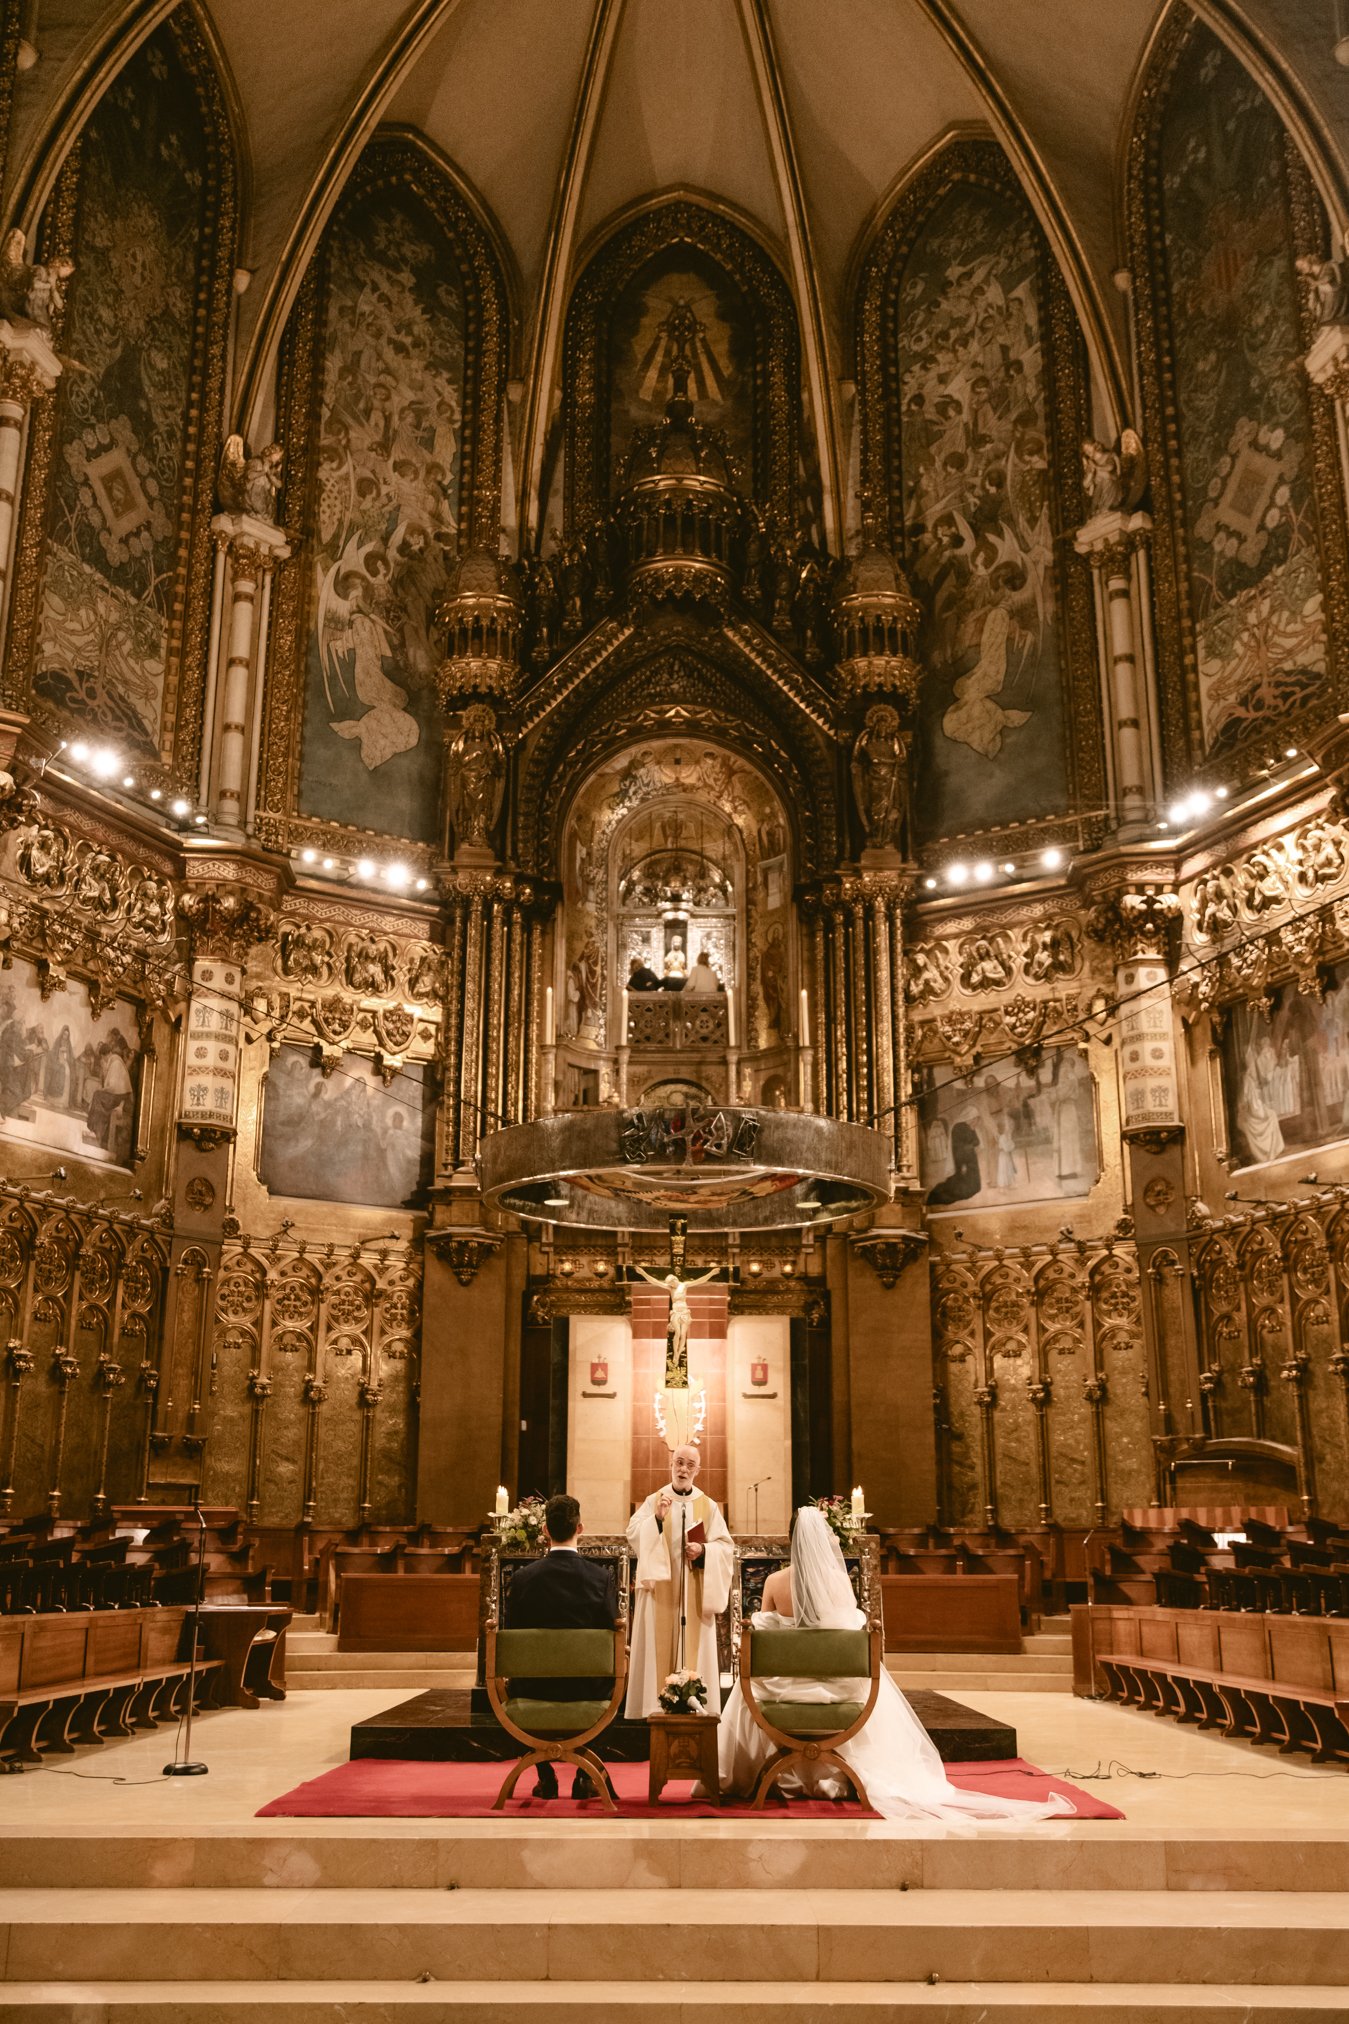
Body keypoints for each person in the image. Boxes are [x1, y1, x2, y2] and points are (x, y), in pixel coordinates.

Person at [717, 1508, 1075, 1821]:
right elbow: (851, 1631)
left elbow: (761, 1636)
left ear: (792, 1540)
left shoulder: (775, 1582)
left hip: (783, 1696)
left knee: (745, 1696)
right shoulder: (838, 1582)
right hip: (838, 1694)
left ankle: (758, 1773)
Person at [504, 1492, 618, 1801]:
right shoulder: (600, 1578)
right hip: (587, 1693)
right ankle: (585, 1777)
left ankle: (545, 1775)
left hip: (533, 1692)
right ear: (580, 1528)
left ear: (545, 1530)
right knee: (618, 1678)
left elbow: (511, 1637)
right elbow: (612, 1634)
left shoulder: (523, 1579)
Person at [625, 1443, 733, 1718]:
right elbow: (633, 1532)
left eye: (690, 1465)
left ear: (698, 1470)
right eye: (679, 1463)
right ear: (671, 1465)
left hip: (694, 1592)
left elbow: (725, 1546)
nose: (683, 1469)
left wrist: (704, 1550)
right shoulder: (654, 1500)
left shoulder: (708, 1506)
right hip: (661, 1593)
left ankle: (696, 1704)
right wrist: (657, 1519)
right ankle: (656, 1707)